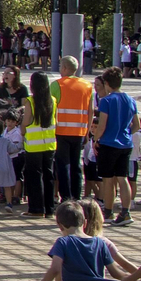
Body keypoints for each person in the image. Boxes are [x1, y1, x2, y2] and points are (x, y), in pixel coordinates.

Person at [34, 200, 131, 281]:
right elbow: (116, 273)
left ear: (60, 226)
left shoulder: (63, 242)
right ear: (84, 223)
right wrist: (136, 278)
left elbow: (56, 269)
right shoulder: (100, 243)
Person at [92, 67, 140, 226]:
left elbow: (102, 124)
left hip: (108, 143)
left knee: (108, 180)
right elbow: (137, 124)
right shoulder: (130, 100)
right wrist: (126, 132)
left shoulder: (106, 101)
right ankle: (126, 212)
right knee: (123, 178)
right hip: (125, 143)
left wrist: (95, 139)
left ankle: (108, 211)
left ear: (106, 83)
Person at [51, 56, 93, 204]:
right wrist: (87, 131)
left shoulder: (57, 85)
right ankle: (77, 196)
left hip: (61, 131)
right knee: (76, 165)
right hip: (80, 132)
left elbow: (51, 108)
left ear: (64, 68)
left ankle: (66, 197)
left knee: (63, 166)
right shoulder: (87, 86)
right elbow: (90, 110)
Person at [20, 70, 58, 219]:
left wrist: (22, 131)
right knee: (48, 176)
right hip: (49, 144)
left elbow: (27, 120)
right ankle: (49, 208)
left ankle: (36, 208)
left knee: (34, 177)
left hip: (33, 145)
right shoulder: (53, 100)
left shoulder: (30, 101)